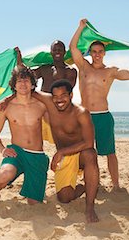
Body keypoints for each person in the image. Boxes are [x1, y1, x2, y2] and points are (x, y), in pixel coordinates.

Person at [69, 18, 129, 191]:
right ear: (90, 52)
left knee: (110, 152)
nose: (97, 54)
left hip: (103, 116)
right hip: (85, 116)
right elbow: (73, 47)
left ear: (104, 53)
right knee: (84, 152)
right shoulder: (83, 67)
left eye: (100, 51)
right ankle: (87, 180)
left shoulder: (110, 71)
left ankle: (116, 184)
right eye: (94, 51)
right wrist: (80, 28)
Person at [0, 50, 49, 208]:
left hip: (37, 156)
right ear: (14, 85)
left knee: (34, 203)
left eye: (27, 81)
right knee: (6, 173)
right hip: (17, 152)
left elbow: (56, 126)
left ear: (33, 84)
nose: (23, 84)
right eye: (19, 81)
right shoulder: (6, 107)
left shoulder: (42, 105)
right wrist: (2, 150)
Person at [33, 79, 99, 223]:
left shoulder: (81, 113)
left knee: (90, 154)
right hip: (65, 159)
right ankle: (85, 187)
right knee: (64, 198)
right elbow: (26, 89)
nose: (59, 100)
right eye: (55, 96)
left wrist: (61, 152)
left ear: (71, 95)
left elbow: (89, 143)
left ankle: (90, 206)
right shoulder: (50, 103)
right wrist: (7, 100)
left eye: (63, 95)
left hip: (80, 153)